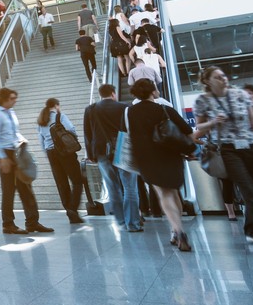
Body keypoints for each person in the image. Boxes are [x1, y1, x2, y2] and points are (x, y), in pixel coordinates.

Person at [194, 67, 253, 246]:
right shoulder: (203, 101)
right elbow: (200, 129)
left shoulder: (241, 95)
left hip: (252, 145)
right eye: (217, 77)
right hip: (228, 149)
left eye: (223, 75)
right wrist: (213, 122)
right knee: (249, 190)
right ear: (208, 81)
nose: (223, 79)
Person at [128, 78, 196, 251]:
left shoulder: (129, 112)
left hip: (147, 159)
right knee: (174, 192)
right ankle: (177, 229)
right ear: (153, 92)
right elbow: (187, 131)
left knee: (163, 194)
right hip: (170, 156)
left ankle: (177, 230)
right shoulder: (165, 109)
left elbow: (127, 136)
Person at [0, 88, 51, 234]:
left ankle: (32, 222)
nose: (15, 100)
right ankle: (8, 224)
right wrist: (2, 158)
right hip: (4, 153)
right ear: (4, 99)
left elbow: (14, 132)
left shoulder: (11, 112)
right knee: (8, 188)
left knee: (26, 186)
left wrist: (22, 140)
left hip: (15, 150)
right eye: (12, 98)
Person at [84, 84, 140, 232]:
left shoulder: (90, 109)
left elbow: (88, 134)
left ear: (101, 94)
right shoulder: (125, 107)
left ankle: (121, 220)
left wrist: (91, 155)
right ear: (114, 94)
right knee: (130, 187)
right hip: (124, 149)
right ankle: (133, 223)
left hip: (102, 152)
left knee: (112, 187)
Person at [36, 99, 85, 224]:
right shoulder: (60, 116)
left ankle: (69, 211)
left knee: (62, 183)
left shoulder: (42, 121)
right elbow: (71, 129)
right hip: (65, 153)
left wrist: (48, 154)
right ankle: (73, 209)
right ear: (56, 106)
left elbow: (41, 141)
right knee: (77, 181)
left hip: (51, 153)